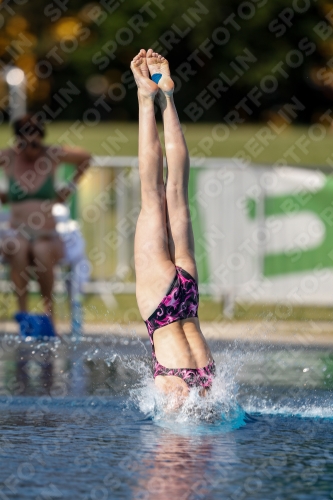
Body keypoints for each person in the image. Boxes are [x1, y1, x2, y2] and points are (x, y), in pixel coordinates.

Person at [131, 49, 215, 399]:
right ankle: (150, 97)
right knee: (156, 192)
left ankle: (161, 96)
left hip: (188, 297)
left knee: (175, 189)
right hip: (169, 321)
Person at [0, 114, 91, 330]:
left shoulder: (51, 155)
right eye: (26, 142)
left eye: (35, 142)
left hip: (46, 235)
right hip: (18, 233)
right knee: (18, 247)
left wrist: (69, 188)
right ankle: (22, 313)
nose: (31, 148)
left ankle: (49, 313)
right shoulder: (9, 157)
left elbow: (85, 157)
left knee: (41, 250)